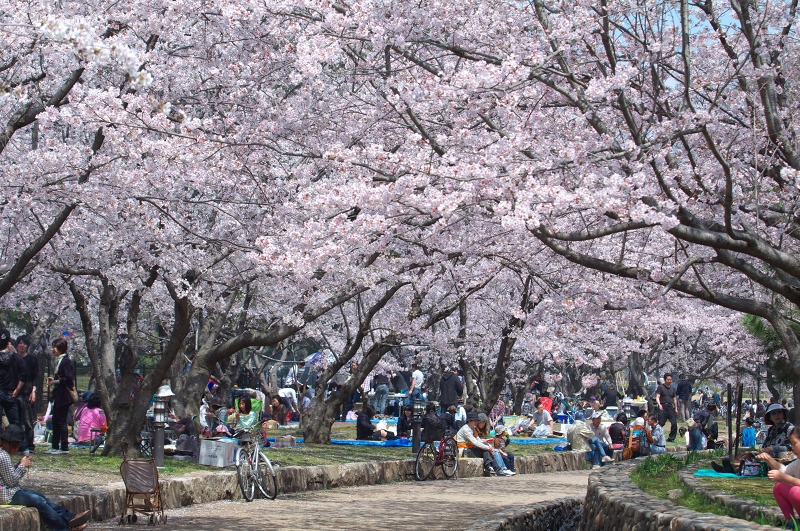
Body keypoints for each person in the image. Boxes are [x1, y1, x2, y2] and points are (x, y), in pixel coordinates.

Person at [0, 425, 90, 531]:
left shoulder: (3, 454)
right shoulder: (3, 455)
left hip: (10, 492)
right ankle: (64, 528)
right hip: (6, 495)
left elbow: (6, 475)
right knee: (38, 500)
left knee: (40, 496)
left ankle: (69, 518)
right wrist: (22, 466)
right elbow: (11, 481)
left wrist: (18, 465)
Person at [757, 425, 800, 526]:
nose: (792, 448)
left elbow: (784, 475)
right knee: (779, 487)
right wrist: (769, 460)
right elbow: (784, 471)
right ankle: (791, 522)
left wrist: (783, 477)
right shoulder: (798, 462)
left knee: (795, 491)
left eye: (794, 444)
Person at [45, 338, 74, 455]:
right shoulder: (59, 361)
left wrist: (55, 382)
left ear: (60, 349)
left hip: (64, 396)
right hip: (58, 395)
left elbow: (68, 379)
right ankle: (55, 446)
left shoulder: (66, 361)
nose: (52, 350)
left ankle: (64, 447)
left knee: (61, 421)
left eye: (54, 347)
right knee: (56, 420)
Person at [456, 411, 502, 476]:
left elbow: (479, 440)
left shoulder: (472, 428)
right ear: (469, 421)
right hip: (464, 450)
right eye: (475, 421)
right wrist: (488, 448)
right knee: (485, 449)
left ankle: (492, 468)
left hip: (470, 448)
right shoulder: (466, 429)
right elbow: (475, 442)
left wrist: (488, 446)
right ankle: (493, 468)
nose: (476, 422)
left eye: (477, 421)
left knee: (486, 448)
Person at [14, 336, 37, 453]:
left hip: (27, 392)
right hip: (15, 393)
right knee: (16, 420)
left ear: (27, 346)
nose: (21, 345)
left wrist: (33, 391)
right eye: (19, 343)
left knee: (28, 421)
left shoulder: (32, 359)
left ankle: (30, 444)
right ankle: (18, 444)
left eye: (24, 343)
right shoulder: (13, 359)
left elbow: (34, 377)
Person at [0, 329, 25, 429]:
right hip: (11, 392)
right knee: (15, 422)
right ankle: (16, 443)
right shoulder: (17, 358)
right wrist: (17, 389)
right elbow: (24, 374)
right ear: (8, 342)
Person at [655, 373, 678, 442]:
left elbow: (674, 399)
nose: (669, 381)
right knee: (661, 423)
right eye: (668, 379)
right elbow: (657, 397)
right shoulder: (660, 387)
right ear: (665, 380)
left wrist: (676, 408)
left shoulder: (672, 388)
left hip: (670, 406)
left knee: (674, 423)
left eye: (670, 379)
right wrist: (659, 404)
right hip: (663, 406)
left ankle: (671, 438)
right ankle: (657, 436)